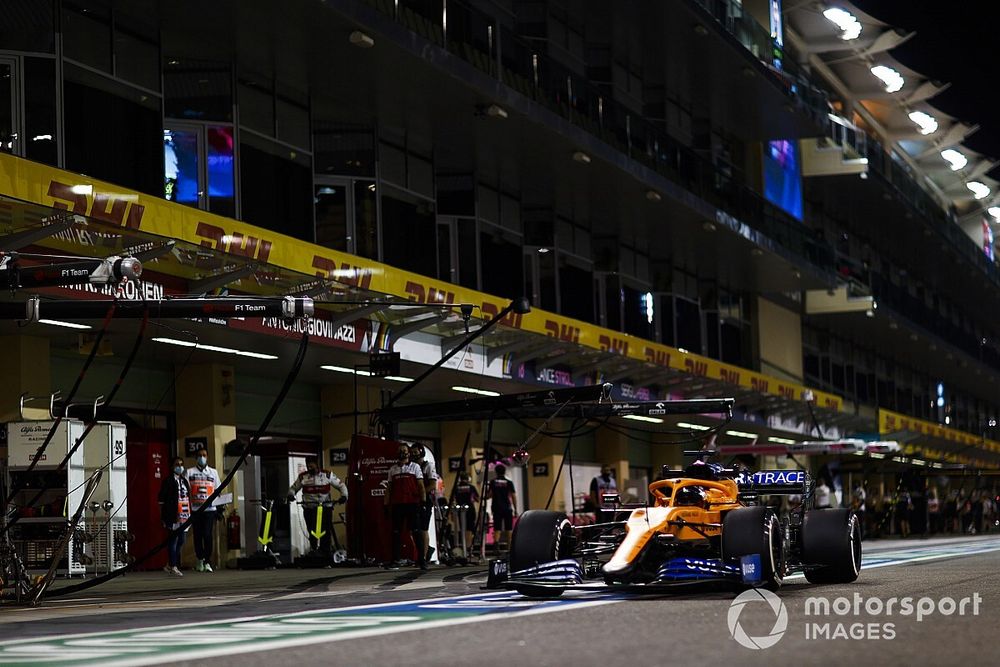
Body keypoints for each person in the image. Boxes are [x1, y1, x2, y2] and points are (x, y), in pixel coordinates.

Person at [287, 457, 348, 554]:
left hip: (325, 508)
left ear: (317, 464)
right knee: (312, 530)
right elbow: (293, 488)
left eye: (311, 466)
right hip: (310, 509)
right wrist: (290, 495)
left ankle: (325, 551)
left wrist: (344, 496)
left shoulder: (327, 475)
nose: (309, 468)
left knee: (325, 530)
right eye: (308, 466)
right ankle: (314, 549)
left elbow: (341, 485)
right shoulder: (303, 477)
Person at [385, 444, 426, 570]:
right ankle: (395, 559)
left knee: (416, 532)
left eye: (405, 451)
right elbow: (389, 489)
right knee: (396, 533)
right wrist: (386, 504)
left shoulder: (415, 467)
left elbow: (420, 486)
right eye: (400, 451)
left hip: (412, 504)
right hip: (397, 505)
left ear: (409, 453)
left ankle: (421, 560)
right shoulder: (392, 470)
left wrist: (423, 501)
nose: (403, 453)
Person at [186, 447, 224, 572]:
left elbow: (218, 490)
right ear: (196, 458)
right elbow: (186, 490)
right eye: (200, 455)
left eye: (204, 455)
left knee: (207, 535)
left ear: (207, 457)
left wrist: (220, 507)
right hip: (196, 509)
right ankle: (200, 559)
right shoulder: (190, 472)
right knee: (197, 535)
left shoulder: (213, 472)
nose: (202, 457)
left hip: (210, 510)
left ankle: (207, 561)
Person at [158, 456, 191, 577]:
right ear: (172, 466)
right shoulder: (168, 481)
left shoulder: (184, 481)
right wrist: (164, 517)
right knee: (173, 540)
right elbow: (161, 501)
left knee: (181, 540)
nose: (180, 467)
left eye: (181, 464)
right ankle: (173, 565)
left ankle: (170, 563)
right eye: (177, 464)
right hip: (173, 516)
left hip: (185, 515)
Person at [408, 443, 439, 563]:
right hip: (413, 501)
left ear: (421, 452)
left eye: (416, 452)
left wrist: (420, 493)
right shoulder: (412, 467)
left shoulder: (428, 466)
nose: (414, 454)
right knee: (414, 529)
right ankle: (424, 551)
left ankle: (424, 556)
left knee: (423, 529)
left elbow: (432, 485)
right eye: (412, 452)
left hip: (424, 501)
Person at [486, 463, 517, 550]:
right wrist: (515, 509)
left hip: (496, 507)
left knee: (497, 527)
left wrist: (485, 496)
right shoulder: (509, 482)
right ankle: (510, 547)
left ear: (496, 472)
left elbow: (489, 494)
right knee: (509, 528)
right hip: (507, 507)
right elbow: (513, 496)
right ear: (504, 472)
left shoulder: (493, 482)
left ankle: (496, 546)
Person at [452, 471, 479, 556]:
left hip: (460, 510)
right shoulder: (471, 487)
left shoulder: (456, 488)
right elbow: (477, 498)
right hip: (470, 509)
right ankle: (468, 548)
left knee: (463, 528)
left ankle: (463, 547)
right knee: (469, 529)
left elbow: (453, 499)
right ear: (468, 479)